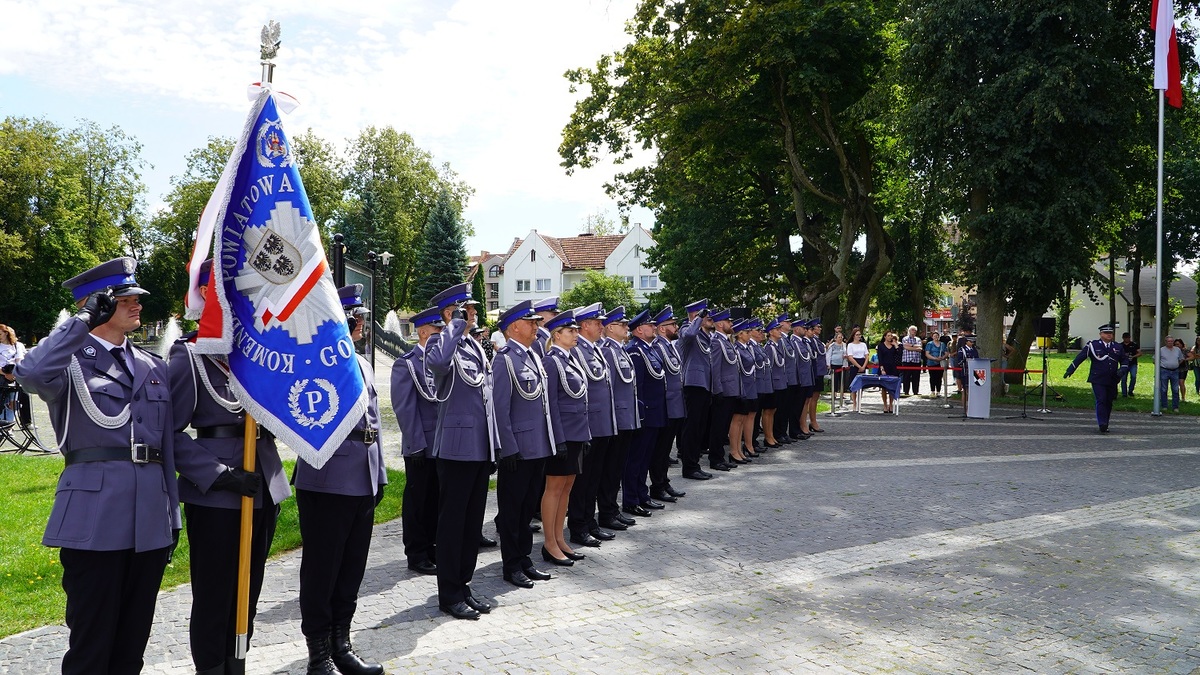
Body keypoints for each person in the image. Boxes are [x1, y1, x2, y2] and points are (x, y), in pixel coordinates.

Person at [16, 257, 181, 675]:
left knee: (131, 646)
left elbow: (165, 450)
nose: (137, 305)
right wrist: (82, 321)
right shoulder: (69, 361)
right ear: (99, 305)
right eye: (124, 299)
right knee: (91, 645)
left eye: (135, 297)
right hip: (95, 522)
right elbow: (30, 374)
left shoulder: (151, 366)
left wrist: (171, 514)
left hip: (148, 520)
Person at [168, 261, 290, 675]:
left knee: (249, 589)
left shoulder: (256, 354)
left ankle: (237, 659)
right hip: (219, 495)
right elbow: (168, 433)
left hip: (263, 487)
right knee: (215, 592)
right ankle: (211, 667)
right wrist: (217, 474)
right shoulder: (189, 355)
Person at [294, 285, 387, 675]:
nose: (363, 325)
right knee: (323, 569)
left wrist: (379, 472)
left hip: (361, 475)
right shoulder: (313, 357)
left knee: (351, 568)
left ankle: (341, 643)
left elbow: (376, 422)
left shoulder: (363, 363)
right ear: (341, 320)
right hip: (327, 476)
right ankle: (319, 654)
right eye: (357, 319)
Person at [425, 282, 495, 620]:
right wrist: (454, 325)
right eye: (468, 309)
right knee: (452, 525)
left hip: (479, 447)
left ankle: (463, 584)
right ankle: (448, 593)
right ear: (452, 312)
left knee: (471, 524)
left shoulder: (473, 347)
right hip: (454, 450)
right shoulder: (440, 343)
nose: (474, 315)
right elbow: (438, 366)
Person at [492, 300, 556, 589]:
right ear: (514, 327)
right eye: (530, 322)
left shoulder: (532, 356)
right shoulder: (504, 359)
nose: (536, 326)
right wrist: (507, 448)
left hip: (537, 446)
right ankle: (511, 564)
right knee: (512, 509)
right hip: (517, 449)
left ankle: (524, 559)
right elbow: (499, 408)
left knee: (528, 506)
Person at [390, 306, 445, 577]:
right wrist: (415, 444)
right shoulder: (407, 363)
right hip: (421, 445)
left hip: (443, 444)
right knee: (418, 501)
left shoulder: (441, 362)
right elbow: (404, 408)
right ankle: (417, 552)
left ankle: (433, 546)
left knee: (436, 499)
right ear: (423, 332)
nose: (441, 335)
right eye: (437, 330)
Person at [541, 309, 590, 566]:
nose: (576, 334)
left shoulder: (570, 359)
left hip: (576, 434)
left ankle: (559, 538)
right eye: (570, 331)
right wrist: (557, 439)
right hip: (562, 436)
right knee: (554, 488)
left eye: (575, 330)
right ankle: (549, 543)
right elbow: (550, 404)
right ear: (557, 334)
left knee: (567, 488)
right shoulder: (551, 361)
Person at [566, 303, 617, 547]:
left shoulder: (595, 349)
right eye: (597, 323)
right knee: (583, 480)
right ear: (585, 325)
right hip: (588, 425)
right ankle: (578, 525)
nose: (602, 327)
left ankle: (589, 521)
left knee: (594, 477)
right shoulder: (577, 351)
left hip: (602, 423)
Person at [597, 307, 640, 529]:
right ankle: (606, 512)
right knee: (611, 469)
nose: (626, 328)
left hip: (626, 417)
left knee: (616, 468)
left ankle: (612, 508)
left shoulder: (619, 349)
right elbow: (609, 389)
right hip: (616, 418)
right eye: (622, 325)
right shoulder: (608, 350)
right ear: (611, 328)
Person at [623, 309, 667, 514]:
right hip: (645, 413)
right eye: (650, 325)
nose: (654, 328)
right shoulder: (635, 350)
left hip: (655, 412)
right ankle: (631, 500)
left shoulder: (649, 349)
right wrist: (639, 414)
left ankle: (642, 495)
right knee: (635, 459)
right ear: (639, 329)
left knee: (646, 458)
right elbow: (637, 386)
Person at [649, 306, 687, 502]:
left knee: (666, 449)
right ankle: (657, 485)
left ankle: (664, 482)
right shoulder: (658, 347)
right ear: (662, 328)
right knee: (660, 449)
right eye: (672, 324)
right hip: (666, 404)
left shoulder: (670, 346)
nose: (676, 326)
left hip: (675, 403)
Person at [676, 299, 714, 480]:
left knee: (699, 427)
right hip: (693, 384)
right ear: (694, 315)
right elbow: (689, 335)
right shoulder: (686, 329)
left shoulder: (705, 335)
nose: (709, 318)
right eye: (705, 315)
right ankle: (689, 467)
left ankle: (694, 464)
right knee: (691, 427)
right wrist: (698, 319)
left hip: (705, 384)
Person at [1064, 324, 1126, 432]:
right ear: (1101, 334)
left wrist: (1122, 369)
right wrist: (1071, 369)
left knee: (1109, 401)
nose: (1109, 335)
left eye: (1110, 333)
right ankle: (1102, 423)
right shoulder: (1093, 345)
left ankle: (1106, 421)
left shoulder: (1117, 346)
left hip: (1112, 378)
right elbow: (1081, 357)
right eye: (1106, 333)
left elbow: (1124, 360)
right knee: (1101, 399)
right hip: (1098, 378)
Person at [707, 308, 740, 470]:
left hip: (730, 389)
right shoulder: (716, 342)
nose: (731, 324)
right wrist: (717, 390)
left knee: (724, 426)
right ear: (720, 324)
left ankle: (720, 456)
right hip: (723, 390)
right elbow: (715, 368)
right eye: (728, 321)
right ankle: (715, 458)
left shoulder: (725, 341)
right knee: (718, 427)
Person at [728, 320, 757, 463]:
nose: (749, 334)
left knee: (743, 419)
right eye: (746, 332)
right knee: (737, 419)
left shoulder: (745, 348)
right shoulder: (737, 349)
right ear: (739, 335)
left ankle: (739, 449)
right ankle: (734, 450)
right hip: (741, 387)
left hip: (749, 387)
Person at [876, 331, 903, 413]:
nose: (890, 337)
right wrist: (882, 368)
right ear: (885, 337)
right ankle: (885, 404)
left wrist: (896, 345)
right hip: (884, 367)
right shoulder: (881, 346)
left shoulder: (893, 346)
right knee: (883, 387)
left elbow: (899, 354)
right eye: (888, 335)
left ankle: (891, 404)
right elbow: (880, 358)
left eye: (891, 336)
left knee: (891, 387)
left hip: (892, 367)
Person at [1156, 334, 1184, 413]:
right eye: (1168, 341)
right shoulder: (1161, 350)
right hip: (1164, 370)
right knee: (1164, 389)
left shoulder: (1177, 350)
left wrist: (1176, 364)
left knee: (1175, 389)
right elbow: (1155, 360)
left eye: (1172, 341)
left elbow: (1181, 358)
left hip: (1175, 371)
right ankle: (1164, 406)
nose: (1170, 343)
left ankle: (1175, 407)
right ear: (1165, 342)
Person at [845, 328, 870, 410]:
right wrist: (859, 366)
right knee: (854, 384)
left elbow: (867, 356)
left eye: (860, 335)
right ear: (853, 336)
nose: (859, 336)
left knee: (862, 385)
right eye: (857, 335)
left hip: (863, 362)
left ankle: (859, 401)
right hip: (854, 364)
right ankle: (854, 403)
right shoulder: (850, 345)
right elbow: (850, 357)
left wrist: (863, 366)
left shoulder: (863, 344)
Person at [826, 327, 847, 406]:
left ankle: (842, 393)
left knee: (842, 379)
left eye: (841, 337)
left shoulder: (844, 345)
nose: (840, 338)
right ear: (835, 338)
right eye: (839, 337)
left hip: (842, 364)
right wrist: (829, 364)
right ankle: (834, 393)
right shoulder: (832, 345)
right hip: (834, 364)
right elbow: (829, 355)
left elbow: (846, 353)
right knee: (834, 379)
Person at [900, 325, 923, 396]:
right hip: (907, 360)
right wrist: (914, 346)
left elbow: (920, 348)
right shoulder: (905, 338)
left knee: (916, 377)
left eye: (915, 330)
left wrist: (911, 346)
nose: (913, 331)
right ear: (909, 331)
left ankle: (915, 391)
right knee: (906, 377)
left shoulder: (918, 339)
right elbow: (906, 347)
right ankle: (906, 391)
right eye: (912, 330)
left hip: (916, 361)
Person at [924, 331, 948, 397]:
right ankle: (932, 391)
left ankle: (938, 391)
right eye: (934, 336)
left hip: (940, 363)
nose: (936, 337)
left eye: (937, 336)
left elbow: (946, 353)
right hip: (931, 363)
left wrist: (942, 357)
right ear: (932, 337)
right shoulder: (929, 344)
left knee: (939, 378)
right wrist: (934, 358)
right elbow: (927, 354)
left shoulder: (942, 344)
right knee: (932, 377)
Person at [1118, 332, 1142, 397]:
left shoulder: (1134, 344)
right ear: (1123, 338)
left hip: (1133, 364)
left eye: (1128, 338)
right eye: (1126, 338)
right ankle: (1124, 393)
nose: (1127, 339)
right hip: (1123, 365)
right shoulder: (1120, 345)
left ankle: (1130, 390)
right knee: (1123, 379)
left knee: (1133, 377)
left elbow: (1140, 353)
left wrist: (1133, 356)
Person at [1175, 338, 1190, 404]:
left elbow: (1192, 357)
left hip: (1183, 369)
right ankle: (1176, 397)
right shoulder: (1173, 350)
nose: (1177, 346)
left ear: (1181, 344)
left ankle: (1183, 397)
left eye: (1178, 344)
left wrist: (1185, 359)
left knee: (1181, 383)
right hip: (1175, 368)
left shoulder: (1185, 351)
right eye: (1175, 344)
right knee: (1175, 384)